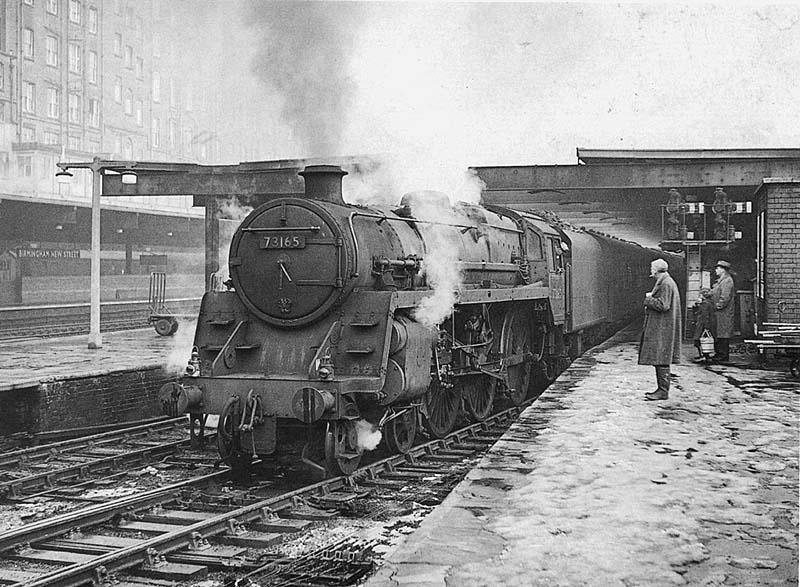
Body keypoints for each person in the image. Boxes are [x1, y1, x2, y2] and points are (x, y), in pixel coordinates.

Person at [638, 258, 682, 401]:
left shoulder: (666, 283)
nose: (650, 270)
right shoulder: (666, 281)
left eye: (652, 268)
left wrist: (649, 299)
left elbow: (664, 305)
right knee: (660, 358)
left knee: (661, 358)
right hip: (664, 325)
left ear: (656, 270)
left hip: (663, 326)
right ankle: (661, 389)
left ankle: (663, 391)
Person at [710, 260, 735, 363]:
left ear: (723, 270)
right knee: (719, 333)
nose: (716, 270)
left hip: (724, 313)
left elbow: (725, 297)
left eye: (717, 268)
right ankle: (719, 354)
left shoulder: (727, 281)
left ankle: (723, 356)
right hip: (719, 313)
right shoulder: (721, 281)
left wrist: (718, 306)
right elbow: (714, 293)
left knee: (723, 334)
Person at [691, 288, 714, 362]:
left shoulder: (705, 303)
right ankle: (705, 356)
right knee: (704, 341)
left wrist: (705, 326)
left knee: (700, 341)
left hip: (702, 325)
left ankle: (704, 356)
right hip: (705, 324)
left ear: (703, 295)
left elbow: (704, 315)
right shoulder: (709, 302)